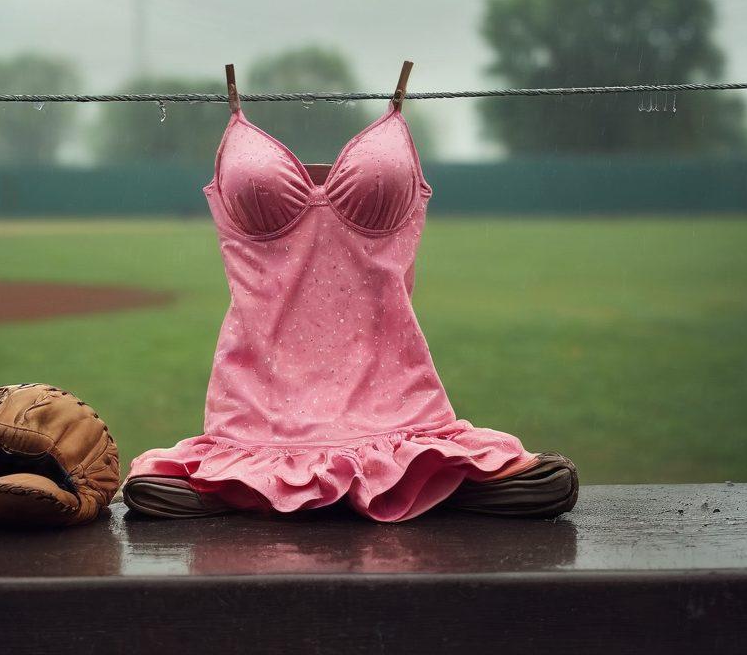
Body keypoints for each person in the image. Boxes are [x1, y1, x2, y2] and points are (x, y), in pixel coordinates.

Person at [122, 64, 577, 522]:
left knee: (547, 483)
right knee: (154, 490)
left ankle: (395, 478)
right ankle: (422, 484)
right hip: (257, 408)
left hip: (398, 402)